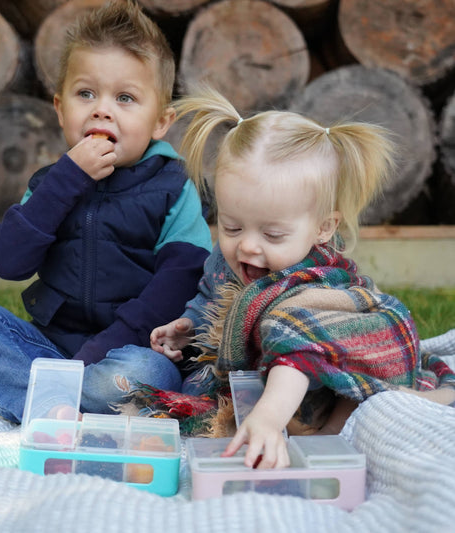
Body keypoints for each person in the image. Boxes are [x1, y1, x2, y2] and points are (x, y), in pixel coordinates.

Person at [141, 85, 455, 469]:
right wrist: (189, 325)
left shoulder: (316, 282)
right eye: (232, 226)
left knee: (359, 415)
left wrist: (269, 417)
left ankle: (345, 426)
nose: (248, 247)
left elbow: (297, 348)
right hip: (271, 378)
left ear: (323, 228)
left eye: (272, 235)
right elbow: (214, 297)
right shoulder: (228, 263)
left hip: (331, 369)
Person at [0, 0, 212, 423]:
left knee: (144, 378)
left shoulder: (173, 187)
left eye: (125, 97)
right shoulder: (53, 183)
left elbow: (175, 288)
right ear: (61, 109)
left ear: (160, 121)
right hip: (50, 345)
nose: (102, 109)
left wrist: (93, 357)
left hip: (127, 351)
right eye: (86, 94)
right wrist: (67, 181)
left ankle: (7, 397)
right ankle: (48, 400)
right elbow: (7, 263)